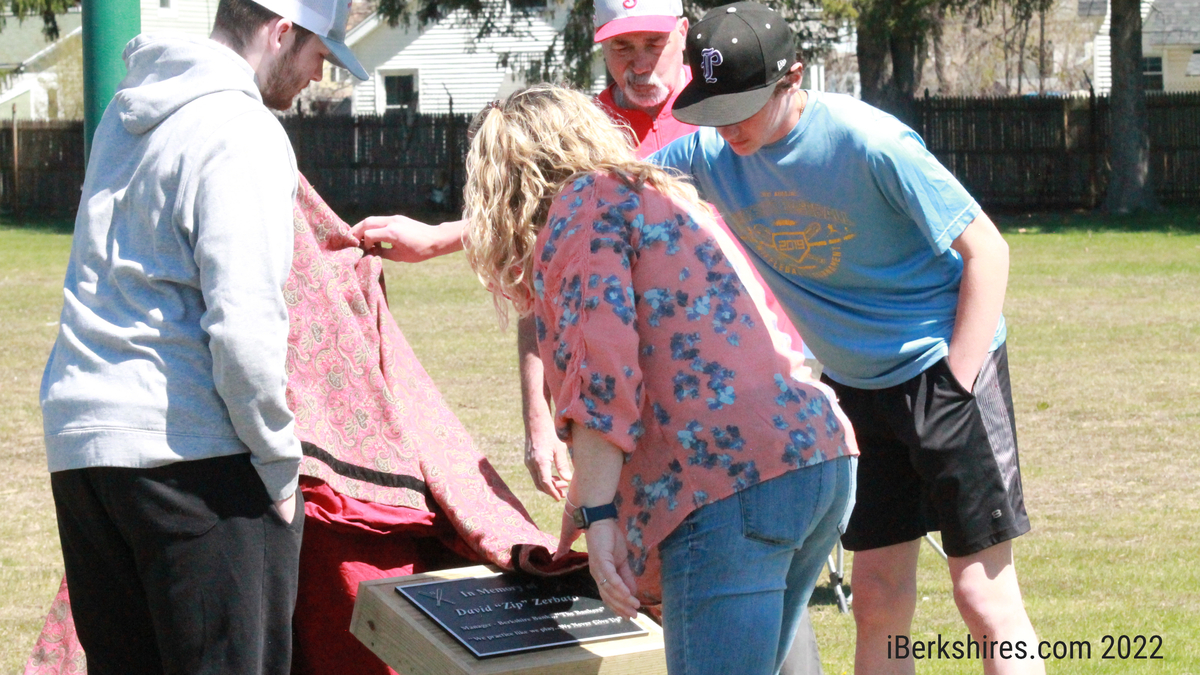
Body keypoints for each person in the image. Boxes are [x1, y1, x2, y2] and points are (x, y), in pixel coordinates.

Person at [652, 3, 1043, 674]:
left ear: (793, 77)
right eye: (715, 109)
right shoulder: (707, 154)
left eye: (743, 106)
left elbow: (989, 250)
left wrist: (956, 383)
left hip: (943, 367)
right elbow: (599, 192)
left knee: (982, 595)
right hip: (854, 389)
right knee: (877, 599)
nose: (728, 126)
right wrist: (463, 231)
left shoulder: (871, 142)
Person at [459, 84, 857, 675]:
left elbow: (601, 374)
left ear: (506, 179)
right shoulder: (658, 194)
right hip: (817, 455)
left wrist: (598, 518)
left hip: (727, 483)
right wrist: (584, 503)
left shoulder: (580, 210)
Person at [37, 1, 367, 673]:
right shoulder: (242, 128)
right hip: (195, 457)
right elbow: (243, 324)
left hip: (84, 449)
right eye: (319, 53)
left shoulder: (125, 111)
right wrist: (278, 464)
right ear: (281, 31)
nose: (318, 75)